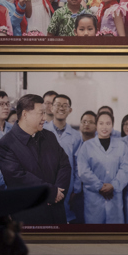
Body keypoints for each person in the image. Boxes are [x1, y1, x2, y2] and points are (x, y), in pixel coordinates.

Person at [0, 94, 70, 225]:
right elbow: (18, 177)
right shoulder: (6, 144)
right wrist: (50, 192)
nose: (45, 118)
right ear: (25, 114)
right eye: (41, 113)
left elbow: (64, 165)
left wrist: (58, 192)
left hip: (56, 210)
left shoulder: (49, 137)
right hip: (29, 214)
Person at [75, 111, 128, 224]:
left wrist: (113, 185)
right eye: (101, 123)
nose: (104, 127)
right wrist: (100, 186)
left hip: (114, 197)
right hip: (93, 198)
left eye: (108, 123)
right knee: (94, 235)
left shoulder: (121, 146)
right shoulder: (87, 146)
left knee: (114, 234)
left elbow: (125, 169)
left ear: (112, 125)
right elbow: (83, 171)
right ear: (96, 125)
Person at [41, 94, 83, 224]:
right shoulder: (41, 131)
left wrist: (76, 189)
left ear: (70, 110)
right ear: (51, 108)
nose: (61, 108)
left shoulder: (76, 136)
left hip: (68, 185)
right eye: (58, 105)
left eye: (65, 106)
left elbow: (78, 164)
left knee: (64, 219)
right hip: (45, 183)